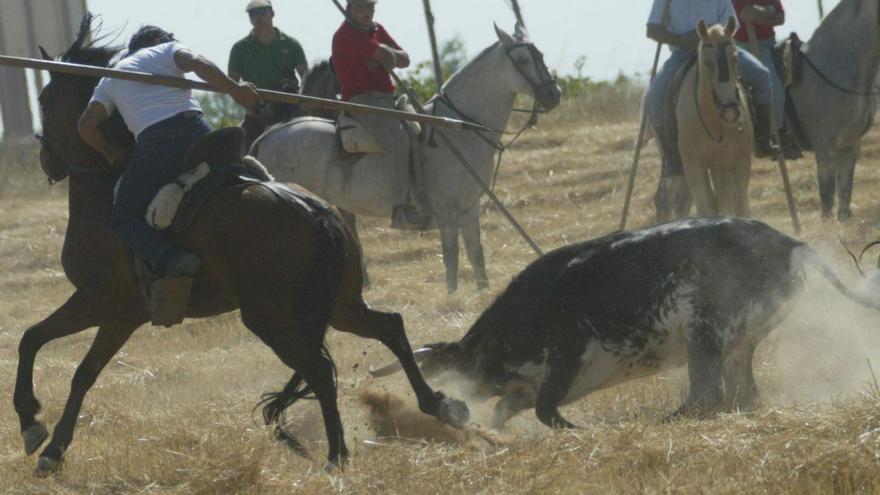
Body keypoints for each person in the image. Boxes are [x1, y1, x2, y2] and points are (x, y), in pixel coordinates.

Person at [78, 25, 259, 278]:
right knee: (233, 175)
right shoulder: (166, 48)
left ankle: (170, 259)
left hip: (158, 144)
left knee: (123, 218)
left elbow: (85, 125)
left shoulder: (109, 78)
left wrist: (111, 153)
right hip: (198, 131)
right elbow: (197, 63)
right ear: (157, 41)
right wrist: (235, 91)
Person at [645, 0, 779, 218]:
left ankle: (764, 137)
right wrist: (680, 39)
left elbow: (731, 23)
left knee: (762, 75)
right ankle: (671, 155)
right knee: (655, 95)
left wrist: (719, 37)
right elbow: (652, 29)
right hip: (682, 52)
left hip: (720, 49)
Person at [332, 0, 430, 229]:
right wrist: (384, 54)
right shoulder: (347, 35)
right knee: (398, 141)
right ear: (350, 9)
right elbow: (385, 55)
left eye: (370, 7)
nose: (367, 12)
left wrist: (385, 55)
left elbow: (403, 59)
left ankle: (422, 197)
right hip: (362, 102)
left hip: (387, 99)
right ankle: (400, 210)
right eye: (361, 7)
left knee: (420, 133)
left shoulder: (375, 29)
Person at [229, 0, 308, 144]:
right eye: (252, 13)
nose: (257, 17)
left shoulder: (291, 44)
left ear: (272, 13)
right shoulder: (240, 48)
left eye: (261, 11)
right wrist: (250, 107)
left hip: (289, 111)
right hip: (256, 113)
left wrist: (299, 101)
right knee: (242, 154)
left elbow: (305, 77)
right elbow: (231, 84)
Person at [733, 0, 801, 158]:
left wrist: (761, 15)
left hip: (770, 42)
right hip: (744, 45)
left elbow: (781, 17)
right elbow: (745, 15)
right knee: (769, 80)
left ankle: (796, 128)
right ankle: (774, 133)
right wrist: (768, 10)